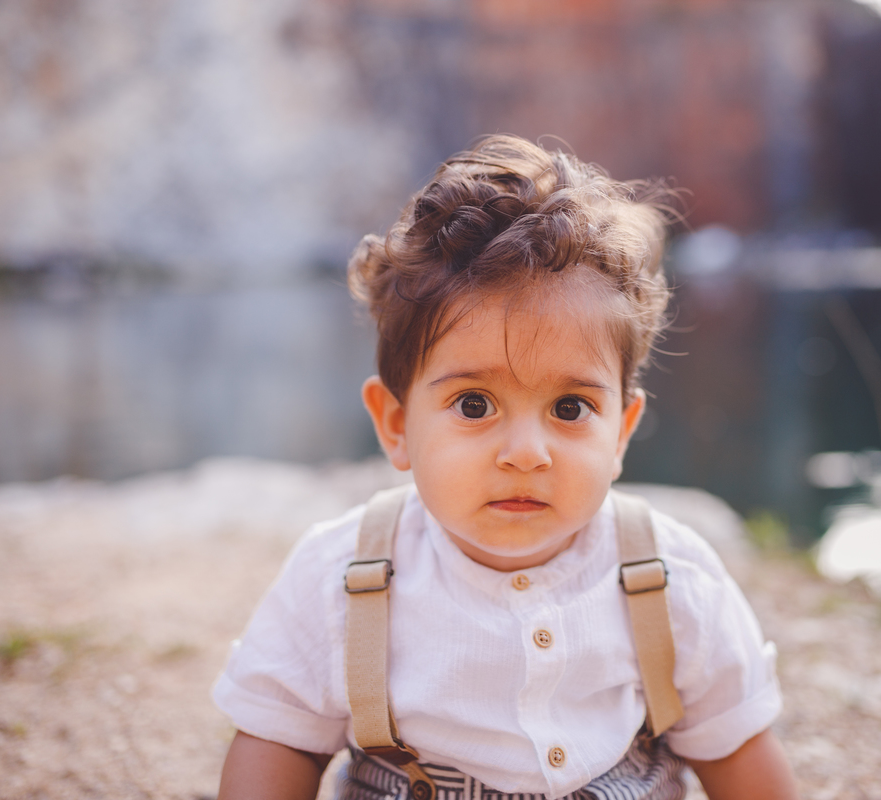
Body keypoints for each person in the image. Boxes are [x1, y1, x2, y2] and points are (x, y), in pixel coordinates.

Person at [213, 134, 798, 800]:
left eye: (571, 408)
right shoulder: (342, 579)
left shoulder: (669, 579)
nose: (526, 452)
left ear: (621, 433)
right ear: (397, 425)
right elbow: (276, 740)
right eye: (474, 403)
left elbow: (738, 748)